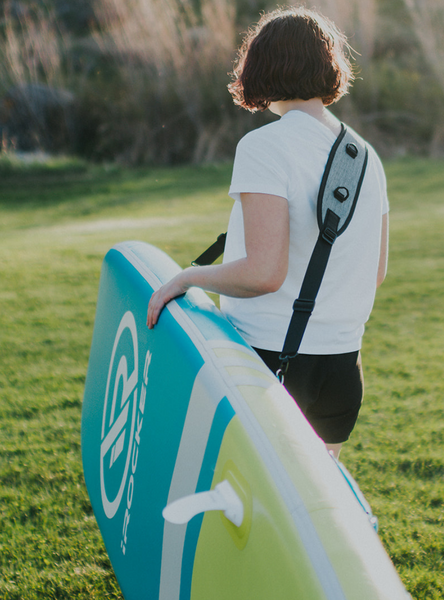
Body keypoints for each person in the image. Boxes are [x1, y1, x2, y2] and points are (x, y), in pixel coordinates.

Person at [147, 6, 389, 458]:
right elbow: (374, 272)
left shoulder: (263, 146)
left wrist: (186, 278)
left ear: (259, 67)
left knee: (244, 508)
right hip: (342, 367)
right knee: (310, 516)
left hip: (270, 362)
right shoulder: (365, 155)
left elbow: (263, 273)